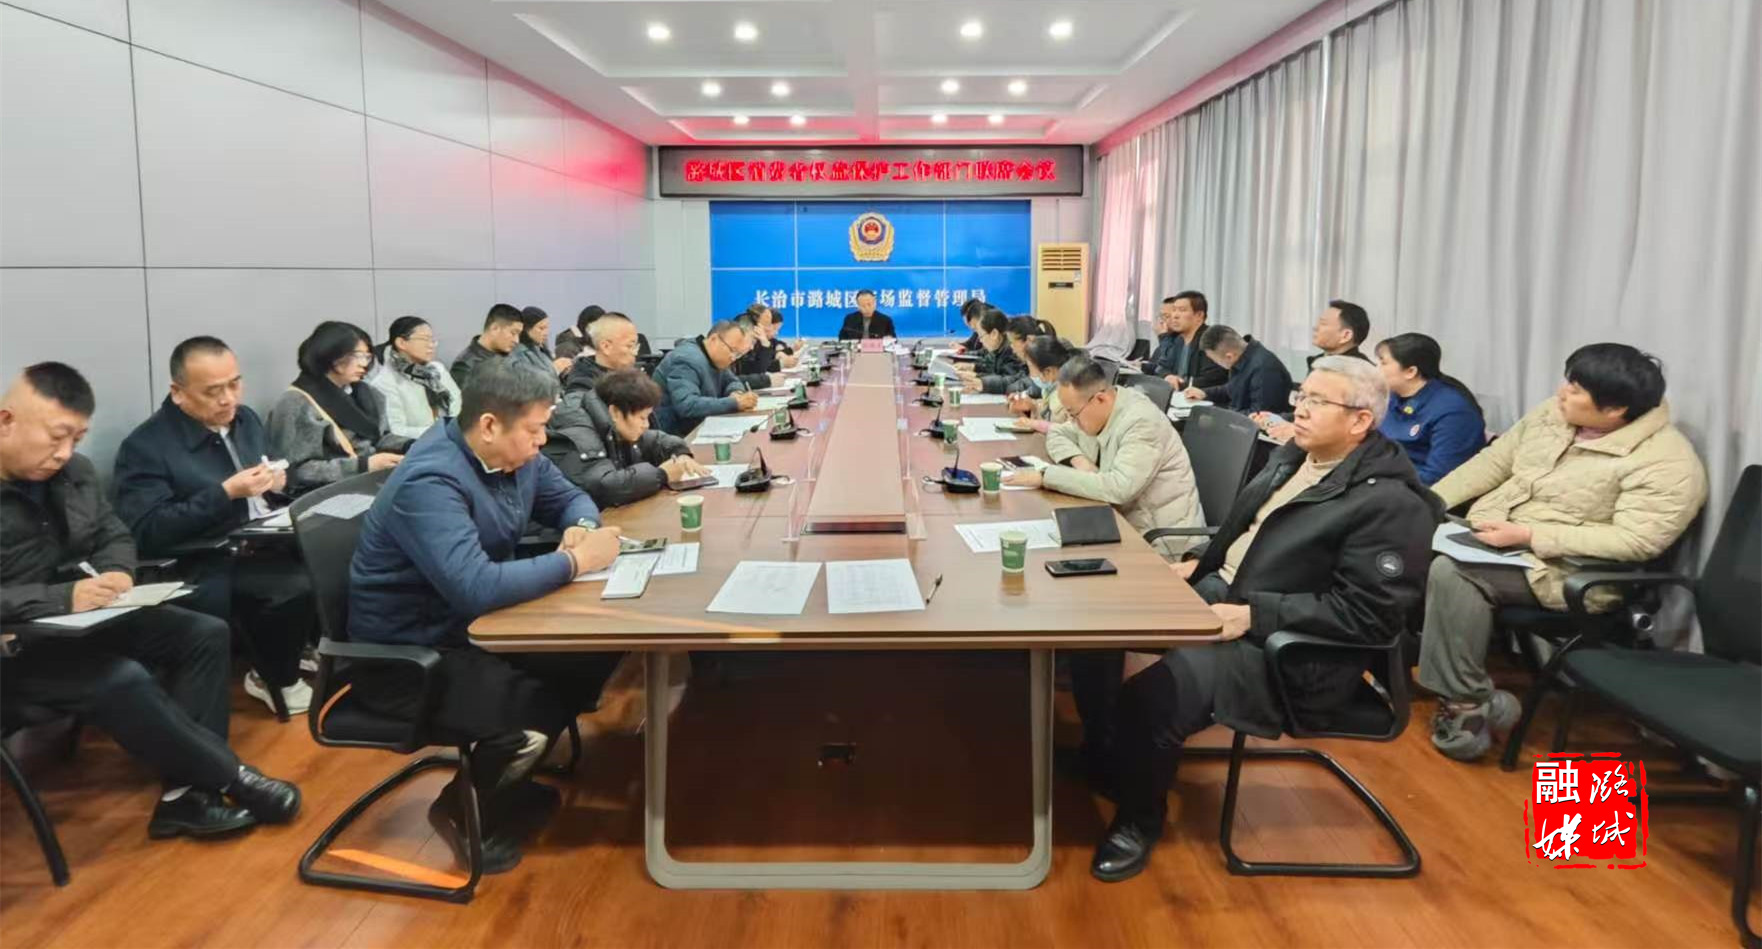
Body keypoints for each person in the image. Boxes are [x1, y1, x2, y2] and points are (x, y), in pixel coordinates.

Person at [1090, 356, 1441, 881]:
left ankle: (1140, 818)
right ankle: (1108, 755)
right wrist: (1200, 565)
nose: (1300, 409)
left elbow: (1368, 615)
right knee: (1098, 624)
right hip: (1232, 594)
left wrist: (1253, 616)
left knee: (1153, 699)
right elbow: (1249, 533)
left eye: (1318, 401)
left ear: (1360, 421)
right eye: (1303, 396)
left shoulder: (1391, 504)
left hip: (1293, 647)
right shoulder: (1296, 456)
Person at [1, 363, 301, 839]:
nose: (65, 453)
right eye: (56, 437)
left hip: (79, 621)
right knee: (119, 677)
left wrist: (118, 571)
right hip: (15, 647)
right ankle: (231, 777)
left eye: (77, 439)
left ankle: (187, 796)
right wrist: (61, 597)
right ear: (6, 421)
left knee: (201, 633)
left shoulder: (74, 474)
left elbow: (115, 535)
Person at [348, 360, 626, 873]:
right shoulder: (430, 480)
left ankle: (504, 779)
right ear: (490, 425)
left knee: (592, 651)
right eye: (535, 430)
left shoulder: (515, 457)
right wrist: (575, 562)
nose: (543, 441)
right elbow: (474, 587)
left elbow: (571, 497)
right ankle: (462, 809)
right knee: (529, 709)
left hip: (478, 629)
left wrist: (583, 528)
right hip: (410, 657)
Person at [1419, 343, 1707, 762]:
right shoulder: (1554, 415)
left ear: (1615, 410)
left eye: (1575, 390)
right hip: (1500, 538)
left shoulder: (1666, 462)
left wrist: (1531, 535)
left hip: (1571, 572)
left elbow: (1637, 541)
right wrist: (1426, 504)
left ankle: (1466, 702)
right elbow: (1494, 462)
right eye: (1568, 382)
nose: (1561, 394)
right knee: (1396, 537)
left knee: (1453, 572)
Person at [113, 336, 314, 715]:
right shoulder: (146, 446)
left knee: (339, 555)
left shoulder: (245, 419)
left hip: (265, 537)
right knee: (292, 587)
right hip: (206, 557)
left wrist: (277, 482)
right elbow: (147, 530)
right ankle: (274, 676)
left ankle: (306, 651)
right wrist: (225, 494)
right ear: (178, 392)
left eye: (235, 384)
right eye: (213, 391)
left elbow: (272, 472)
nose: (228, 399)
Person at [1007, 354, 1205, 557]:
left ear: (1100, 399)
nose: (1072, 421)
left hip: (1162, 545)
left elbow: (1120, 488)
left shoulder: (1142, 422)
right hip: (1115, 521)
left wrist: (1046, 476)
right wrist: (1080, 461)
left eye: (1074, 414)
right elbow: (1057, 433)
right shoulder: (1096, 411)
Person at [267, 321, 410, 495]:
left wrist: (410, 445)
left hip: (370, 484)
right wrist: (363, 465)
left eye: (367, 356)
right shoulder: (297, 401)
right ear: (331, 355)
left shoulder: (368, 393)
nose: (364, 364)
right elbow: (297, 471)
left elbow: (380, 437)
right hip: (327, 494)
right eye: (357, 356)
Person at [545, 369, 708, 509]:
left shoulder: (609, 421)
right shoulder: (582, 433)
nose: (646, 425)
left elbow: (654, 439)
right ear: (615, 412)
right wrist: (662, 474)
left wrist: (680, 452)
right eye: (642, 418)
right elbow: (603, 486)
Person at [1374, 333, 1486, 485]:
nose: (1376, 369)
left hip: (1417, 489)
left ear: (1410, 372)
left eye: (1383, 363)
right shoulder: (1390, 397)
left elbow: (1439, 476)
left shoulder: (1454, 412)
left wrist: (1377, 482)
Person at [651, 319, 759, 436]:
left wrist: (736, 392)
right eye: (732, 351)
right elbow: (687, 405)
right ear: (714, 339)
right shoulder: (686, 359)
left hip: (702, 426)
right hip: (677, 435)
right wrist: (734, 403)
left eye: (737, 354)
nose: (733, 358)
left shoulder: (715, 358)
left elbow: (732, 380)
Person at [369, 316, 461, 440]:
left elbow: (459, 406)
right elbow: (396, 431)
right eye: (425, 339)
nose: (431, 345)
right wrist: (442, 432)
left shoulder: (436, 370)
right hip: (418, 446)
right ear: (401, 343)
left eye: (432, 340)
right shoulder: (385, 382)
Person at [1181, 324, 1294, 415]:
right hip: (1239, 419)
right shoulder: (1243, 356)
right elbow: (1232, 389)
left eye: (1214, 360)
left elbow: (1259, 416)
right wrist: (1204, 393)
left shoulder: (1264, 370)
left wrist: (1219, 415)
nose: (1215, 363)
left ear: (1229, 356)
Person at [1144, 291, 1226, 392]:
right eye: (1174, 310)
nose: (1175, 315)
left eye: (1182, 310)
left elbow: (1212, 380)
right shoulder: (1178, 340)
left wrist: (1180, 385)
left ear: (1199, 315)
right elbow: (1162, 367)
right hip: (1178, 395)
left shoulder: (1212, 339)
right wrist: (1167, 376)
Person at [1007, 335, 1081, 433]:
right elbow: (1046, 413)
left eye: (1030, 367)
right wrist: (1032, 406)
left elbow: (1069, 431)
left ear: (1048, 372)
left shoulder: (1069, 396)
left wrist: (1034, 423)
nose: (1030, 374)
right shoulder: (1049, 391)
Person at [562, 312, 642, 393]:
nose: (635, 353)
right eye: (629, 346)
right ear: (606, 347)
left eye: (636, 346)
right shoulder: (582, 384)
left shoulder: (632, 376)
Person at [957, 308, 1029, 395]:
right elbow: (991, 367)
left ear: (994, 334)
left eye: (981, 336)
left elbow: (1012, 381)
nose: (980, 341)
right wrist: (976, 373)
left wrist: (980, 379)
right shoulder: (998, 349)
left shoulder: (1011, 351)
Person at [450, 303, 523, 387]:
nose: (516, 340)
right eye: (513, 333)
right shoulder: (466, 366)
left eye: (519, 335)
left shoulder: (512, 355)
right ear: (495, 328)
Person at [733, 305, 796, 389]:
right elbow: (731, 380)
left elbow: (756, 369)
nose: (768, 327)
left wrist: (766, 344)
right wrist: (766, 380)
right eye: (768, 324)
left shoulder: (757, 340)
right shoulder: (744, 334)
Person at [509, 306, 572, 378]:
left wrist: (563, 373)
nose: (546, 333)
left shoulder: (541, 349)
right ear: (527, 329)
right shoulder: (518, 353)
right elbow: (529, 380)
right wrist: (555, 369)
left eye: (547, 327)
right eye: (541, 328)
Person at [1308, 300, 1372, 367]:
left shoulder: (1359, 369)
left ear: (1346, 335)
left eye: (1323, 323)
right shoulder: (1320, 361)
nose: (1315, 328)